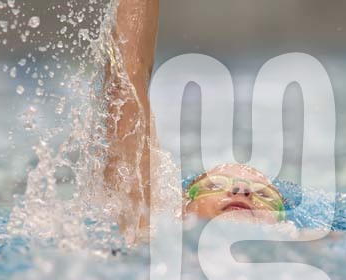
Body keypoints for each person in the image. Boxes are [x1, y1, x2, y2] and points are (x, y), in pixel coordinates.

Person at [103, 0, 285, 242]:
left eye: (265, 195)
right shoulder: (149, 234)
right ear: (182, 210)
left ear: (284, 225)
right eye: (215, 185)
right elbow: (125, 83)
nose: (241, 190)